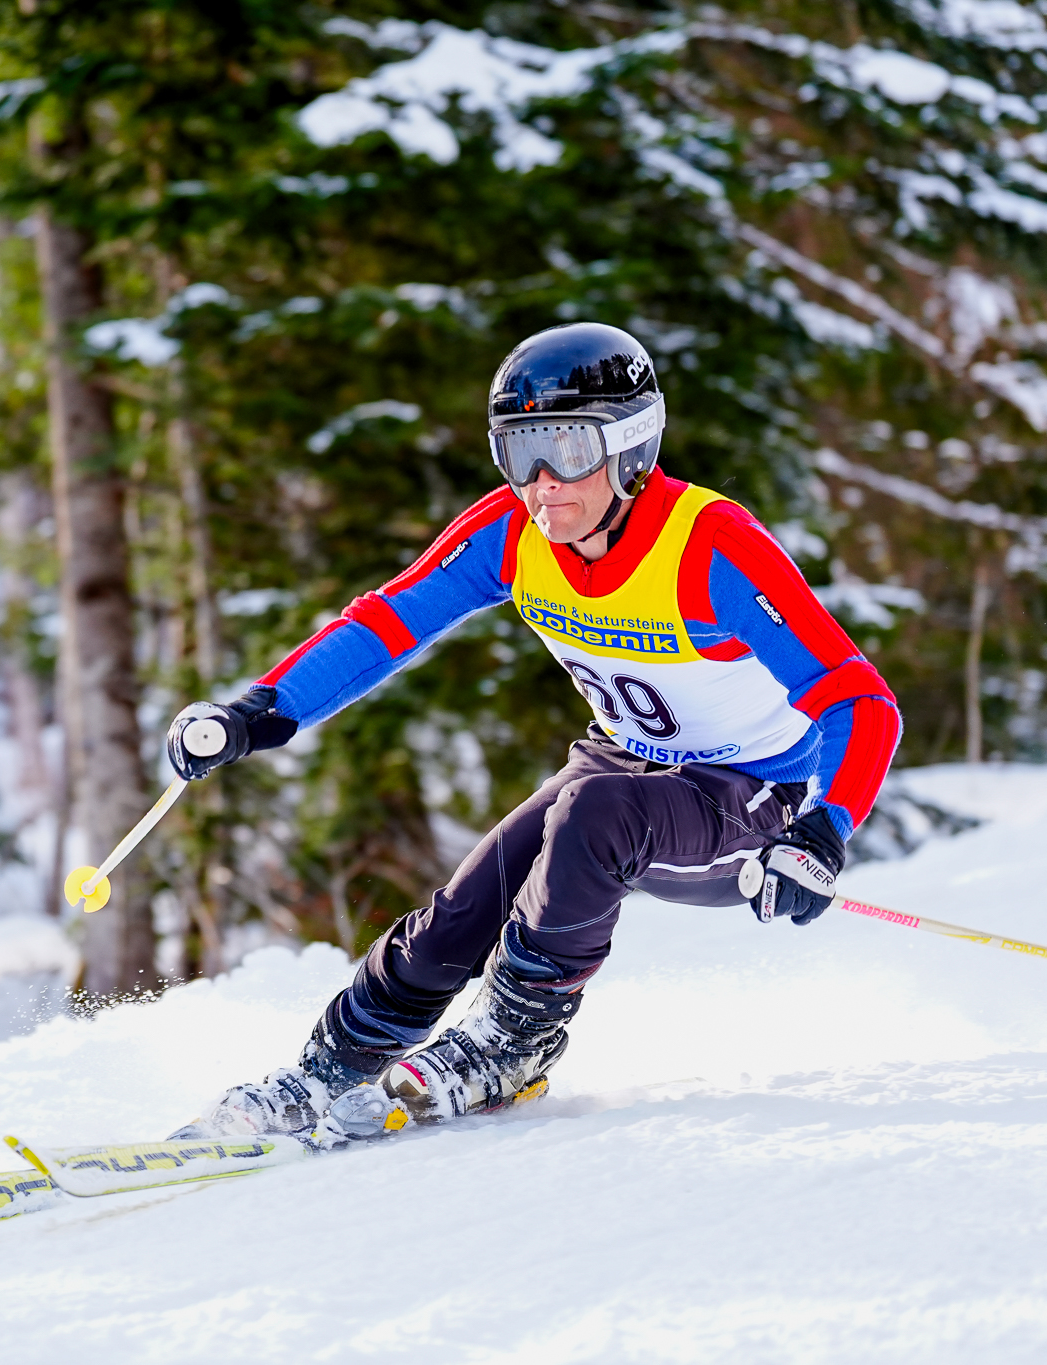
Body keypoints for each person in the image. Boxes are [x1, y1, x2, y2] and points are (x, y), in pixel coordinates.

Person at [164, 322, 901, 1142]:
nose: (542, 483)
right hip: (623, 763)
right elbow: (388, 620)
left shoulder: (710, 548)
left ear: (629, 446)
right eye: (518, 453)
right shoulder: (512, 533)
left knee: (593, 812)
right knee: (463, 908)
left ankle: (513, 1040)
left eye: (566, 451)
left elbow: (860, 699)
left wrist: (824, 829)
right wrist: (260, 710)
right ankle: (329, 1068)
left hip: (750, 795)